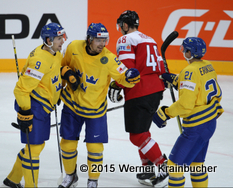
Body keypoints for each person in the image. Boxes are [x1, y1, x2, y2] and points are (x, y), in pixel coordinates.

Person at [58, 22, 140, 188]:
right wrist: (66, 76)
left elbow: (124, 78)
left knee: (95, 148)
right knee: (67, 144)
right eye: (98, 40)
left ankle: (93, 180)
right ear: (89, 39)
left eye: (105, 40)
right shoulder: (74, 47)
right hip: (72, 105)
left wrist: (131, 79)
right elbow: (62, 66)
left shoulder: (109, 59)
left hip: (95, 109)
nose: (102, 44)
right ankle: (70, 176)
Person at [3, 22, 79, 188]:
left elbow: (54, 72)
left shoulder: (54, 53)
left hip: (44, 106)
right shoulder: (39, 60)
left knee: (36, 146)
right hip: (33, 107)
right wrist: (25, 112)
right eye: (59, 38)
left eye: (62, 37)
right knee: (34, 149)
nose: (62, 41)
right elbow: (21, 90)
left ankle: (13, 179)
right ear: (48, 40)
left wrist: (57, 90)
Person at [153, 37, 224, 187]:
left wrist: (166, 113)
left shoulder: (188, 71)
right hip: (209, 124)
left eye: (184, 49)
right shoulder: (208, 66)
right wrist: (177, 80)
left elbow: (185, 105)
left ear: (190, 52)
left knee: (174, 168)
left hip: (195, 128)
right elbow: (199, 84)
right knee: (197, 165)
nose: (183, 52)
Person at [108, 10, 168, 187]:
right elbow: (159, 65)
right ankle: (147, 168)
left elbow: (127, 70)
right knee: (143, 132)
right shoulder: (150, 39)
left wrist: (116, 86)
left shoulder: (125, 39)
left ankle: (164, 167)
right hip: (155, 89)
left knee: (137, 136)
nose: (120, 29)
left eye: (121, 25)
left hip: (139, 90)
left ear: (125, 25)